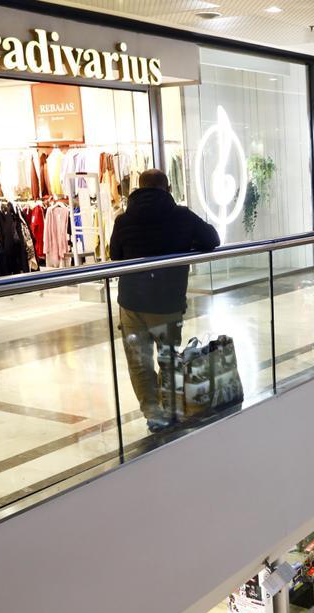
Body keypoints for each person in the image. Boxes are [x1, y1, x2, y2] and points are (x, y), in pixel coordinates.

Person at [110, 168, 220, 433]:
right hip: (167, 303)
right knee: (168, 357)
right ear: (167, 189)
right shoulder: (181, 216)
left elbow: (115, 255)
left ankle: (153, 414)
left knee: (139, 362)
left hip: (131, 302)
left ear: (137, 189)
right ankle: (170, 409)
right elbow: (212, 239)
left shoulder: (123, 220)